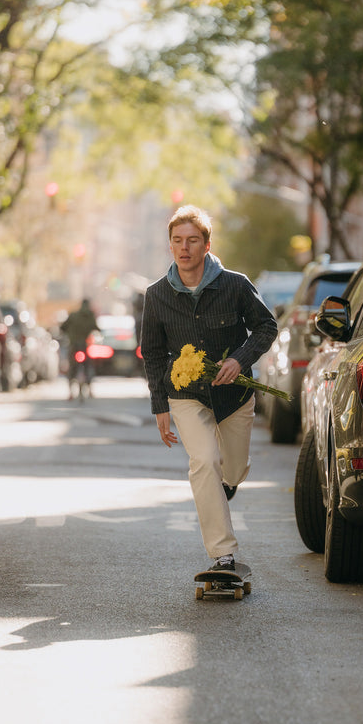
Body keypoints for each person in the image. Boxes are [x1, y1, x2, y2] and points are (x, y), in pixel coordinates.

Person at [140, 205, 277, 571]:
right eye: (177, 241)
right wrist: (160, 406)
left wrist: (239, 360)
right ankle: (223, 553)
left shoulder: (235, 284)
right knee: (203, 461)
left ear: (206, 244)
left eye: (192, 241)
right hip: (185, 396)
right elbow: (152, 354)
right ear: (170, 246)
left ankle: (228, 482)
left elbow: (267, 326)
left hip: (234, 397)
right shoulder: (156, 295)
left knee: (231, 469)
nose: (184, 248)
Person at [60, 298, 99, 399]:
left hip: (73, 345)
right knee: (88, 367)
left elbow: (63, 327)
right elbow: (96, 328)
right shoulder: (90, 316)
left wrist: (68, 334)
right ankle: (90, 390)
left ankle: (70, 393)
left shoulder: (73, 315)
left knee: (72, 369)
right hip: (84, 346)